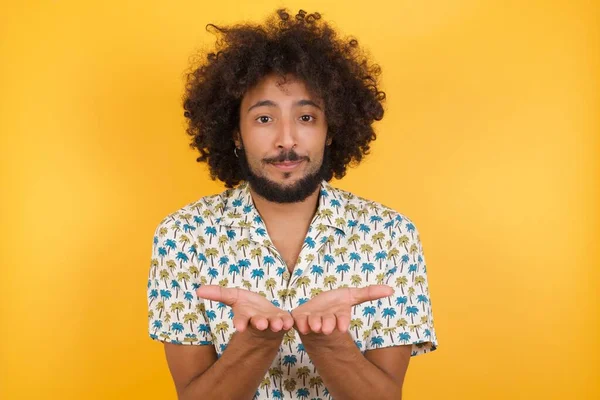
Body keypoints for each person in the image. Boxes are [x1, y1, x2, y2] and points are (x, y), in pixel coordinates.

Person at [147, 8, 438, 400]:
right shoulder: (182, 237)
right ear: (235, 133)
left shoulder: (391, 236)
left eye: (306, 116)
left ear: (331, 129)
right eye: (264, 118)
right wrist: (254, 344)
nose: (287, 140)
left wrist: (330, 346)